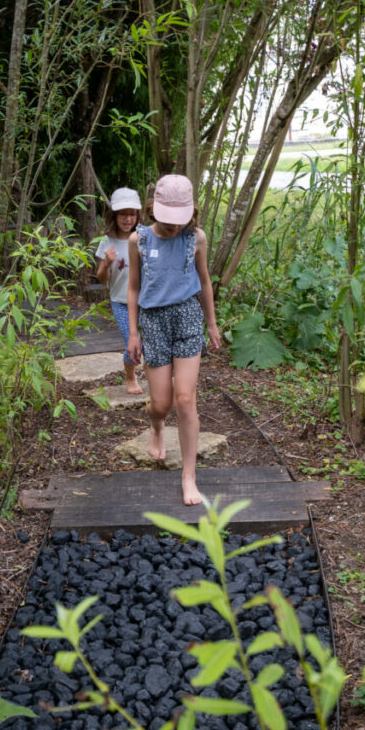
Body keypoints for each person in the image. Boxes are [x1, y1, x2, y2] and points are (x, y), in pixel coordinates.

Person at [127, 174, 220, 506]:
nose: (173, 227)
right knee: (162, 405)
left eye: (179, 221)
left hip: (187, 317)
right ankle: (155, 427)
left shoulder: (196, 238)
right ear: (154, 209)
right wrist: (133, 333)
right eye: (167, 221)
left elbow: (205, 281)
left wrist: (211, 323)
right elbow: (134, 288)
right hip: (153, 321)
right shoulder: (138, 241)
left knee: (185, 399)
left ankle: (189, 475)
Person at [96, 187, 144, 394]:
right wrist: (107, 263)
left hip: (145, 301)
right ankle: (131, 378)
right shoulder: (107, 241)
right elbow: (101, 278)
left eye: (132, 214)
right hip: (120, 301)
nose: (127, 219)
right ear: (114, 215)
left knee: (147, 341)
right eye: (123, 214)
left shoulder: (144, 237)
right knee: (130, 341)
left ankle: (152, 372)